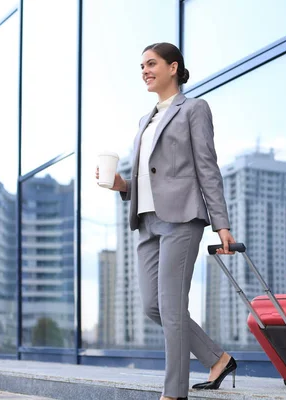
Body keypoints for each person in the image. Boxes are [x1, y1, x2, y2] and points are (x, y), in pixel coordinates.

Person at [96, 42, 237, 400]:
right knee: (153, 306)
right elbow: (148, 177)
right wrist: (121, 185)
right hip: (146, 221)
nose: (144, 70)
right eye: (141, 65)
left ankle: (173, 393)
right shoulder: (145, 120)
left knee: (172, 306)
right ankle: (217, 358)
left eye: (151, 63)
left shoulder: (194, 109)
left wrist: (221, 224)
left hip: (182, 217)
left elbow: (207, 167)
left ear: (173, 67)